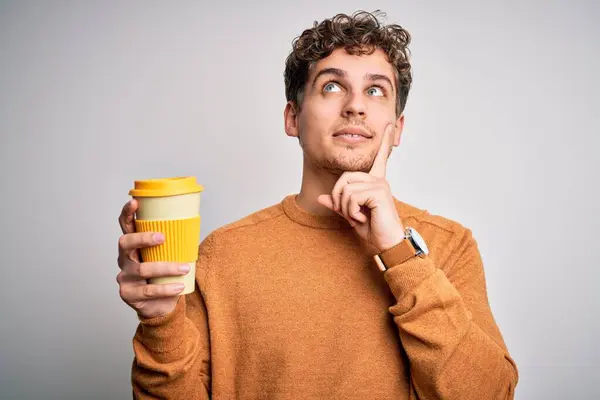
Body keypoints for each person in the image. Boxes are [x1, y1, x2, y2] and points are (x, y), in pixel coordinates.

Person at [117, 10, 518, 399]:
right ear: (293, 117)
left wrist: (401, 255)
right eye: (332, 86)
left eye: (375, 90)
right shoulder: (223, 256)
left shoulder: (448, 246)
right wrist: (159, 321)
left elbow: (491, 394)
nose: (355, 106)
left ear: (397, 129)